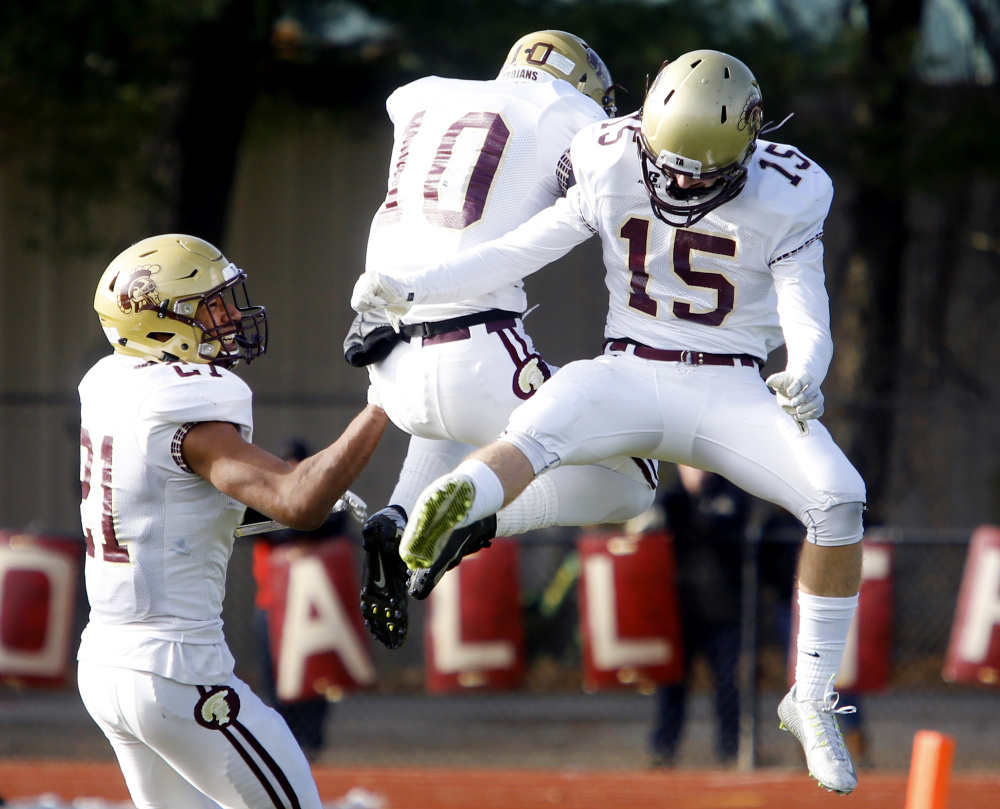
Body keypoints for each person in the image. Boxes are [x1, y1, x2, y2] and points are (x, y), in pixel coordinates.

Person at [352, 50, 866, 795]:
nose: (681, 179)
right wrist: (415, 287)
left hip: (732, 387)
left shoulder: (791, 189)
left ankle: (811, 697)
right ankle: (452, 506)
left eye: (702, 167)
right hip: (626, 366)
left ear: (748, 143)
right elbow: (519, 249)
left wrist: (806, 370)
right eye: (670, 161)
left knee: (839, 497)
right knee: (535, 430)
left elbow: (804, 304)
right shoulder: (612, 152)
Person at [352, 30, 657, 651]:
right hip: (477, 351)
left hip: (388, 361)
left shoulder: (422, 96)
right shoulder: (570, 112)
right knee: (633, 481)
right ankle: (478, 520)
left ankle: (399, 514)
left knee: (453, 427)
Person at [77, 234, 388, 809]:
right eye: (210, 305)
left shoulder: (111, 383)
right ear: (158, 320)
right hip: (179, 673)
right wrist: (386, 402)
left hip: (105, 664)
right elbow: (298, 502)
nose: (228, 317)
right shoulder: (187, 404)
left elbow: (179, 504)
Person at [249, 438, 346, 761]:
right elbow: (268, 529)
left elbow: (336, 522)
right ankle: (282, 743)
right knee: (275, 678)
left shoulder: (328, 499)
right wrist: (301, 523)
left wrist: (303, 518)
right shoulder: (263, 499)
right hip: (272, 604)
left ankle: (311, 741)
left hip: (313, 605)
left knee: (317, 678)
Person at [651, 465, 749, 767]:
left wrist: (695, 518)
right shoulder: (669, 499)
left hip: (723, 611)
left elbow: (724, 528)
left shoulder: (730, 495)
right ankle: (663, 749)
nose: (697, 472)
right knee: (672, 685)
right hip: (680, 612)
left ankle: (730, 749)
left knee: (727, 685)